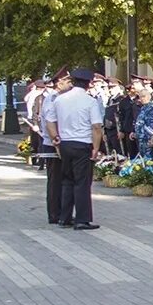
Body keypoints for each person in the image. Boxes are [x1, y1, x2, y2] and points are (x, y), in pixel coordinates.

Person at [47, 68, 103, 230]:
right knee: (82, 182)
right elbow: (96, 127)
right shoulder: (90, 101)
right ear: (88, 84)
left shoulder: (59, 100)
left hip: (65, 144)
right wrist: (96, 147)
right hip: (82, 143)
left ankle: (64, 217)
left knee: (67, 181)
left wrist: (55, 138)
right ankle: (82, 219)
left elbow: (50, 121)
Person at [40, 68, 70, 223]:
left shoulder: (61, 98)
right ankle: (54, 214)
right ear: (60, 82)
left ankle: (61, 212)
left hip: (61, 143)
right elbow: (52, 123)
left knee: (64, 179)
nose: (71, 84)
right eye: (68, 81)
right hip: (53, 143)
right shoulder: (52, 99)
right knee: (56, 180)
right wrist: (57, 141)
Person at [131, 87, 153, 161]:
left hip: (148, 139)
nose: (141, 99)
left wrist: (152, 138)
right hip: (141, 139)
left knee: (150, 160)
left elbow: (152, 124)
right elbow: (140, 122)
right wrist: (135, 132)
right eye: (140, 97)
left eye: (144, 96)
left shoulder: (152, 108)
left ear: (149, 96)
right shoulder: (143, 108)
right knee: (143, 160)